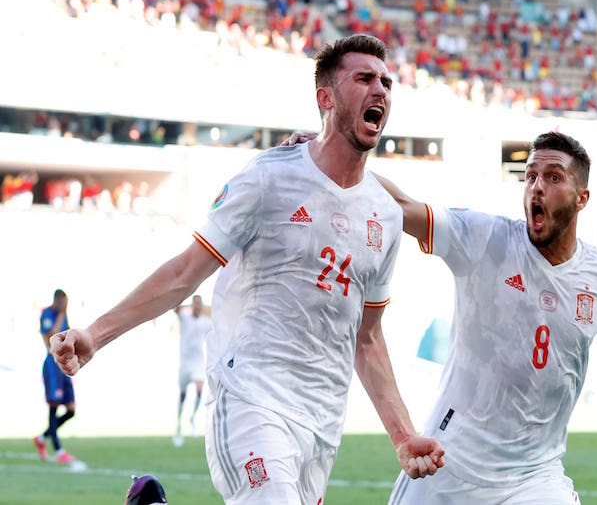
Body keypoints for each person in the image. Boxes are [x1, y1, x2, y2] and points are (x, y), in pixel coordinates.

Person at [50, 34, 444, 504]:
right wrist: (97, 333)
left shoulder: (384, 214)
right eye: (364, 78)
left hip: (321, 423)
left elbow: (368, 337)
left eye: (386, 82)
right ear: (326, 98)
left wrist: (402, 436)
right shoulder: (267, 177)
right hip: (250, 398)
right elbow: (185, 273)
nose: (380, 89)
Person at [367, 131, 597, 503]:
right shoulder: (485, 238)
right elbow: (402, 205)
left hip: (534, 478)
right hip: (447, 464)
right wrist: (331, 156)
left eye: (553, 177)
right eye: (530, 175)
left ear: (583, 198)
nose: (536, 187)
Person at [33, 289, 77, 464]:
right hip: (52, 364)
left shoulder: (63, 314)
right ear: (57, 299)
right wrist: (61, 313)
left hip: (63, 365)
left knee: (71, 410)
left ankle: (42, 438)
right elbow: (51, 337)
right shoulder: (48, 314)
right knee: (54, 405)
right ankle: (59, 450)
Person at [172, 294, 211, 447]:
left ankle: (193, 418)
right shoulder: (184, 317)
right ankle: (179, 424)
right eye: (194, 304)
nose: (197, 306)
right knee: (183, 394)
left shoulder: (206, 322)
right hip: (184, 363)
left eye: (199, 304)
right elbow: (174, 307)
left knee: (200, 390)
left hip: (197, 363)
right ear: (191, 305)